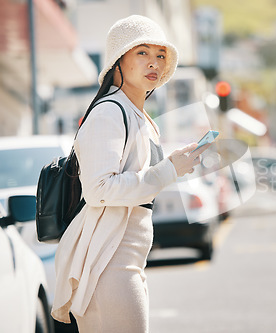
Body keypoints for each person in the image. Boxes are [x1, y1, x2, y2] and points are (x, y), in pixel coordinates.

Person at [51, 15, 209, 332]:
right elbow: (98, 189)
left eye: (160, 55)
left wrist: (173, 166)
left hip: (126, 262)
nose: (154, 62)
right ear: (118, 60)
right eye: (142, 52)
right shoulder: (110, 111)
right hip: (107, 264)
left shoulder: (140, 117)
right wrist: (167, 170)